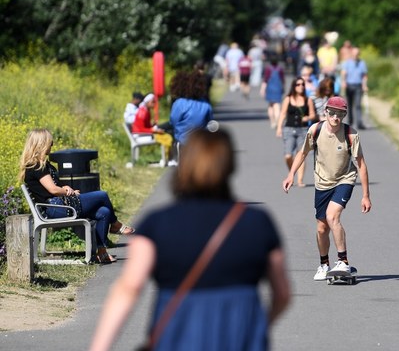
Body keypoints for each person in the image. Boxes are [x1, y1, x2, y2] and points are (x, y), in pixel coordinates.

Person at [90, 128, 290, 351]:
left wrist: (99, 347)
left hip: (177, 338)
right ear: (229, 167)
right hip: (242, 339)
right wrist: (257, 328)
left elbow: (129, 288)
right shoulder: (257, 223)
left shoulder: (157, 224)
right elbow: (281, 294)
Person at [282, 96, 372, 281]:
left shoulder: (351, 134)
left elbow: (361, 165)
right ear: (326, 113)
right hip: (322, 182)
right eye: (332, 113)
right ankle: (324, 264)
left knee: (333, 216)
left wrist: (365, 195)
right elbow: (303, 153)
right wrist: (291, 174)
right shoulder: (315, 130)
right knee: (322, 227)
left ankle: (343, 261)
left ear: (344, 115)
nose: (335, 117)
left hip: (345, 179)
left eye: (340, 114)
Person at [19, 129, 135, 264]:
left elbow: (53, 188)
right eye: (50, 143)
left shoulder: (42, 165)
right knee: (102, 195)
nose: (52, 145)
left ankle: (102, 253)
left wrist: (65, 188)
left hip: (58, 205)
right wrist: (69, 192)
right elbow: (53, 189)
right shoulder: (36, 166)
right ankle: (115, 225)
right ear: (42, 143)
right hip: (55, 208)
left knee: (104, 212)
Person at [276, 77, 316, 187]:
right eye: (298, 84)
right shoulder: (288, 99)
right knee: (288, 155)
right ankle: (292, 173)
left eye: (302, 84)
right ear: (294, 86)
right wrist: (279, 127)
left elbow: (313, 115)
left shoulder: (308, 100)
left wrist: (307, 118)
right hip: (289, 129)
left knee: (301, 154)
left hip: (303, 130)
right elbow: (283, 114)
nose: (301, 86)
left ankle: (300, 180)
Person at [169, 70, 213, 145]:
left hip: (183, 142)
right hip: (201, 142)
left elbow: (173, 121)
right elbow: (210, 122)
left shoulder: (179, 103)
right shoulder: (205, 104)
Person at [132, 93, 174, 164]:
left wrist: (153, 127)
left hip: (145, 133)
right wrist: (154, 130)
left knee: (169, 133)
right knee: (167, 137)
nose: (154, 104)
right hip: (140, 135)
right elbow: (140, 129)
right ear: (147, 102)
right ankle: (167, 159)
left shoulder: (146, 111)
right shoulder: (142, 112)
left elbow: (146, 126)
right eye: (152, 102)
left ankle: (169, 159)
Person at [341, 47, 368, 129]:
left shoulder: (362, 63)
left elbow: (364, 75)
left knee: (358, 104)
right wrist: (343, 81)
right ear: (352, 54)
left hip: (358, 86)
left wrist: (364, 85)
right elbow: (344, 73)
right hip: (349, 85)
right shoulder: (347, 63)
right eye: (354, 54)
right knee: (349, 104)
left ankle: (359, 122)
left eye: (357, 54)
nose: (355, 55)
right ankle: (350, 121)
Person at [260, 57, 285, 129]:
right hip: (278, 88)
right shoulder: (280, 69)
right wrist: (283, 88)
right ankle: (277, 120)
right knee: (277, 106)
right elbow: (282, 80)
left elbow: (265, 79)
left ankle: (272, 121)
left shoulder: (268, 69)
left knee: (270, 106)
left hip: (270, 88)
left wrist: (262, 89)